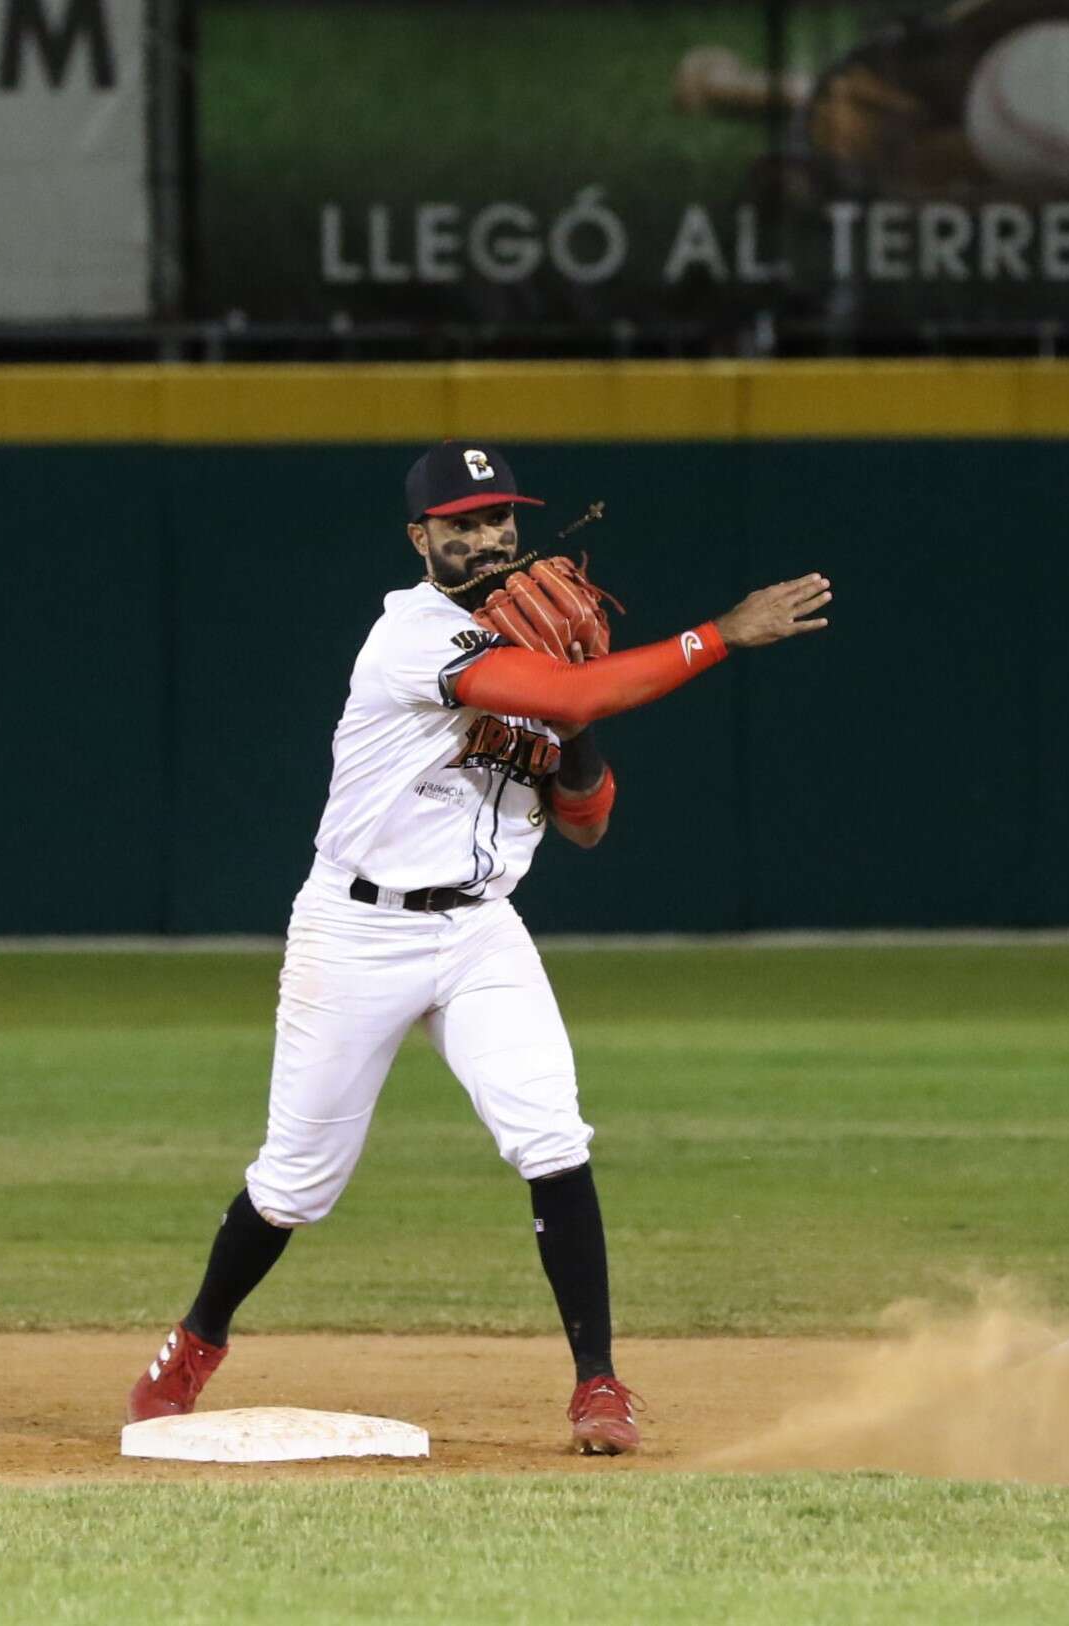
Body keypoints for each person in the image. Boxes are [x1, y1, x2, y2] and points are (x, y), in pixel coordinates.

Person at [126, 442, 832, 1454]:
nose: (488, 535)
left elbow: (585, 820)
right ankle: (196, 1341)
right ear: (421, 537)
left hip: (479, 927)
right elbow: (573, 702)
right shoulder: (411, 639)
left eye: (499, 516)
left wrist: (574, 698)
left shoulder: (539, 657)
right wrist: (717, 636)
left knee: (552, 1137)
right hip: (358, 929)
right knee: (295, 1181)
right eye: (461, 522)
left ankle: (599, 1386)